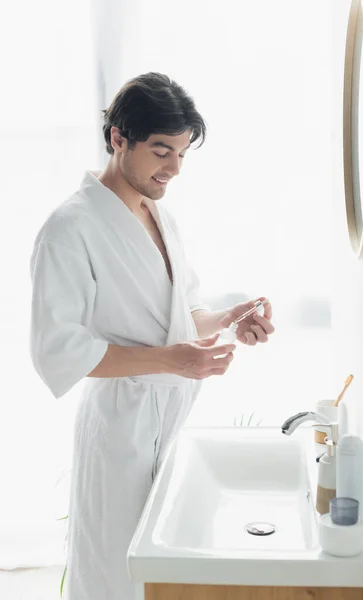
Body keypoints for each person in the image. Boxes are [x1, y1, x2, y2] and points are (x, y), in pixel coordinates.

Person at [29, 72, 275, 600]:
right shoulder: (69, 228)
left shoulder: (159, 217)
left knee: (161, 579)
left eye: (183, 153)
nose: (174, 169)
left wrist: (230, 318)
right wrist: (173, 362)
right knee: (113, 580)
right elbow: (59, 350)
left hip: (169, 427)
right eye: (162, 150)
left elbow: (178, 315)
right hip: (118, 433)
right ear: (118, 137)